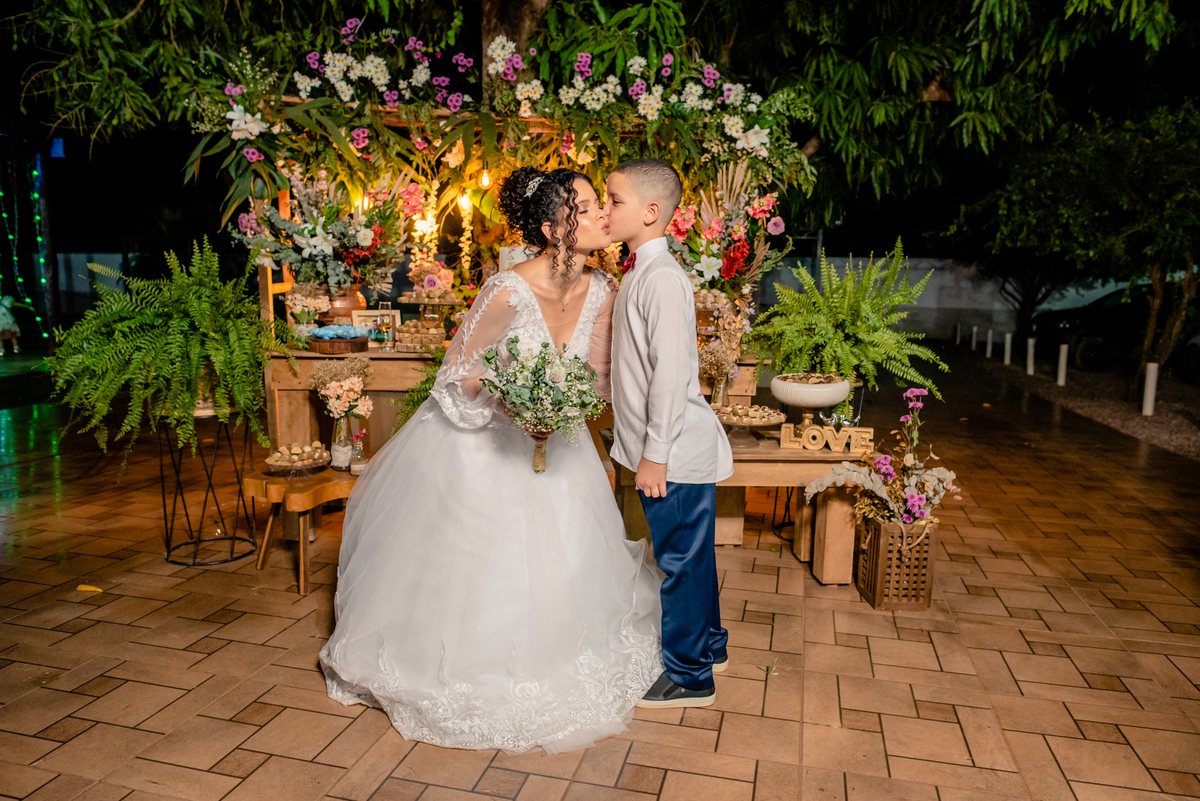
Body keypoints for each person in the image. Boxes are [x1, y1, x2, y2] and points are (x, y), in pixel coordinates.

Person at [319, 167, 663, 754]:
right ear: (556, 227)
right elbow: (457, 378)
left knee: (571, 557)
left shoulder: (607, 290)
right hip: (483, 446)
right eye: (587, 205)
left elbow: (599, 378)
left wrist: (566, 404)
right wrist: (513, 401)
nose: (603, 213)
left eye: (602, 203)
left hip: (563, 446)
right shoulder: (507, 290)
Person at [606, 158, 734, 709]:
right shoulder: (640, 275)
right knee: (692, 556)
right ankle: (710, 645)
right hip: (666, 448)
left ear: (651, 211)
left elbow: (671, 376)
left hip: (674, 452)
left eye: (614, 200)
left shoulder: (660, 279)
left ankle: (689, 676)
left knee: (678, 560)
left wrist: (654, 456)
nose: (605, 210)